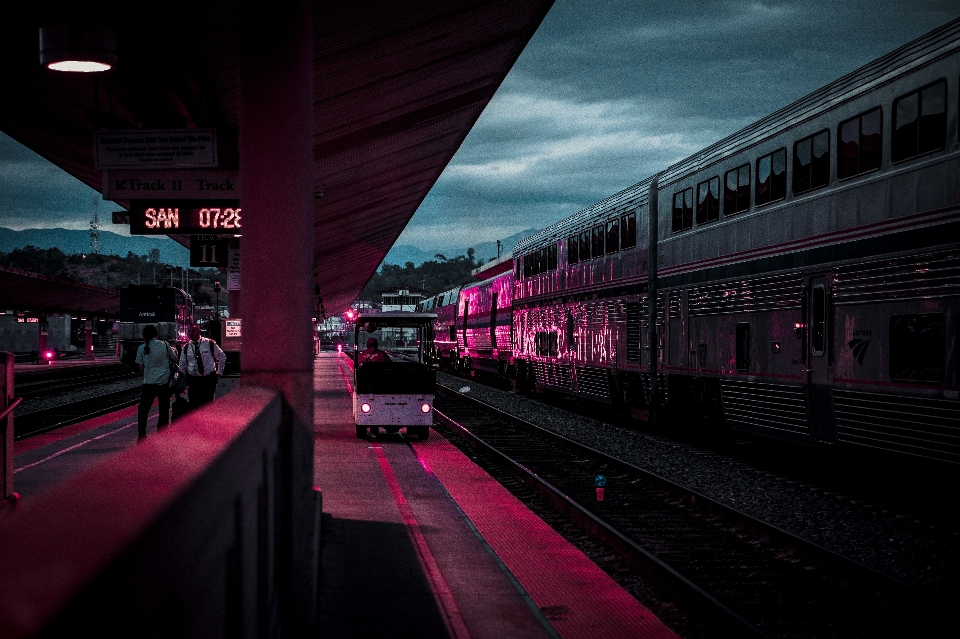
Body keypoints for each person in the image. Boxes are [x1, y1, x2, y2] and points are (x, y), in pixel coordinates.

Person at [135, 324, 177, 441]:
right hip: (164, 382)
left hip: (149, 382)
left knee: (144, 409)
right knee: (164, 409)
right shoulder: (165, 344)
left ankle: (142, 435)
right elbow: (174, 359)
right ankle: (161, 434)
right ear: (156, 334)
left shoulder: (142, 348)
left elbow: (141, 367)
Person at [179, 323, 226, 411]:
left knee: (207, 405)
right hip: (194, 381)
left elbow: (222, 357)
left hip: (208, 380)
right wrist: (184, 379)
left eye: (193, 331)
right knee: (194, 406)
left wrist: (219, 373)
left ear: (199, 331)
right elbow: (182, 365)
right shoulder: (186, 347)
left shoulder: (209, 343)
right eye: (189, 331)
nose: (190, 333)